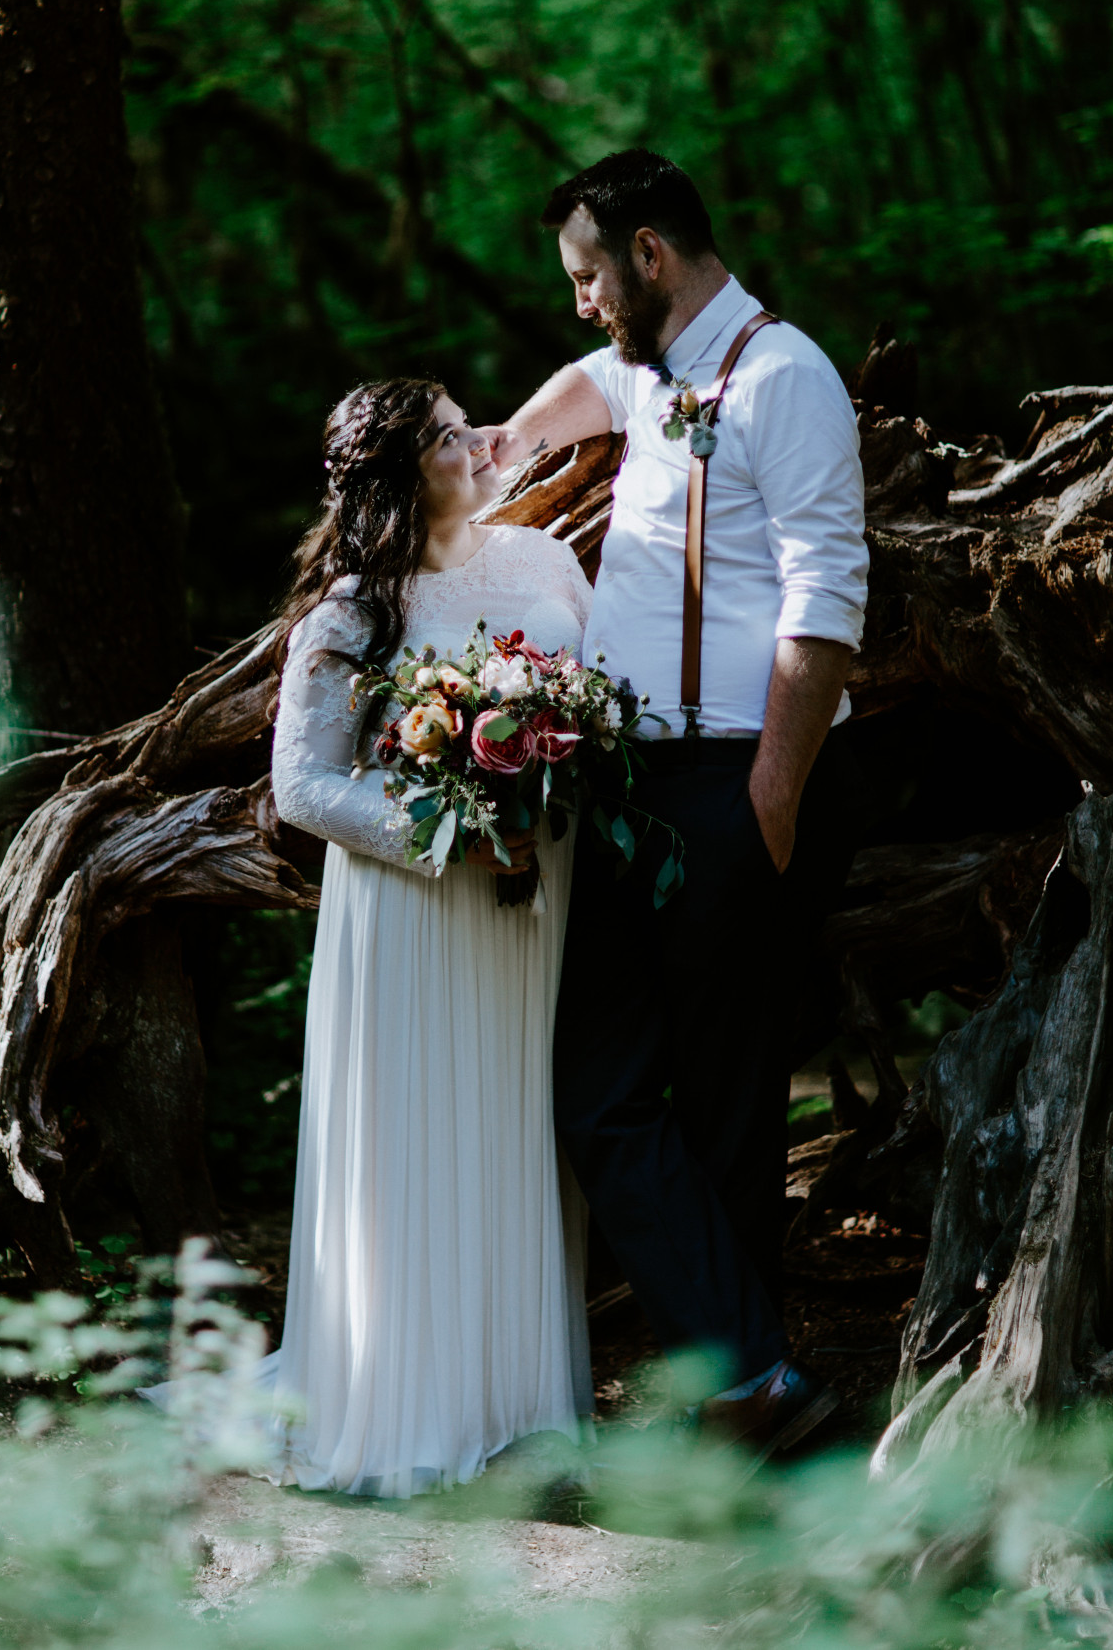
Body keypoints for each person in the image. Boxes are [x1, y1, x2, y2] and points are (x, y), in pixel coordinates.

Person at [482, 148, 869, 1462]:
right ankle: (755, 1376)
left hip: (731, 782)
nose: (583, 302)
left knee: (728, 1106)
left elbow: (826, 600)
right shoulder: (650, 370)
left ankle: (742, 1421)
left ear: (651, 256)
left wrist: (772, 795)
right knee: (598, 1088)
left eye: (591, 275)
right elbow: (591, 387)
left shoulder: (787, 377)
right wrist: (512, 441)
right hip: (626, 781)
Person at [266, 377, 594, 1497]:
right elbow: (303, 788)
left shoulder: (546, 562)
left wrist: (550, 787)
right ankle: (415, 1403)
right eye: (449, 436)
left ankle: (519, 1408)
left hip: (531, 896)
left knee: (515, 1127)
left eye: (465, 424)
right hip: (414, 906)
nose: (476, 441)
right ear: (407, 474)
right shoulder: (351, 612)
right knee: (424, 1136)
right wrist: (446, 831)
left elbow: (591, 706)